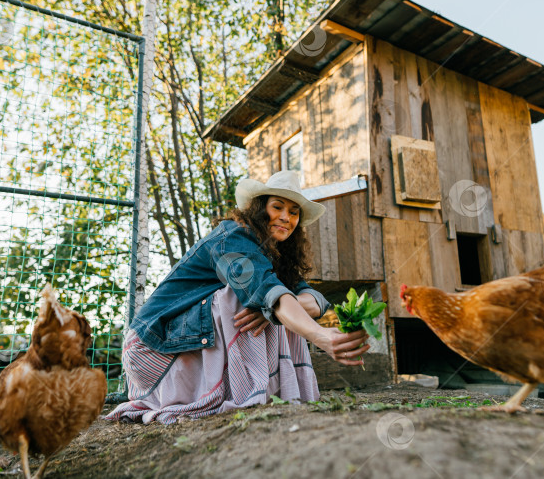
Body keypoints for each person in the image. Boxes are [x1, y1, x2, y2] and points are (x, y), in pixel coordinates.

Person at [106, 171, 370, 424]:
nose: (285, 217)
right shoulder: (232, 237)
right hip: (150, 349)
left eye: (293, 212)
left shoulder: (274, 255)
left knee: (277, 302)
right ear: (259, 208)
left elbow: (314, 299)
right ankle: (251, 393)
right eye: (277, 207)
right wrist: (320, 335)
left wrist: (270, 309)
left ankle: (273, 391)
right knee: (247, 297)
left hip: (184, 343)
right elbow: (271, 295)